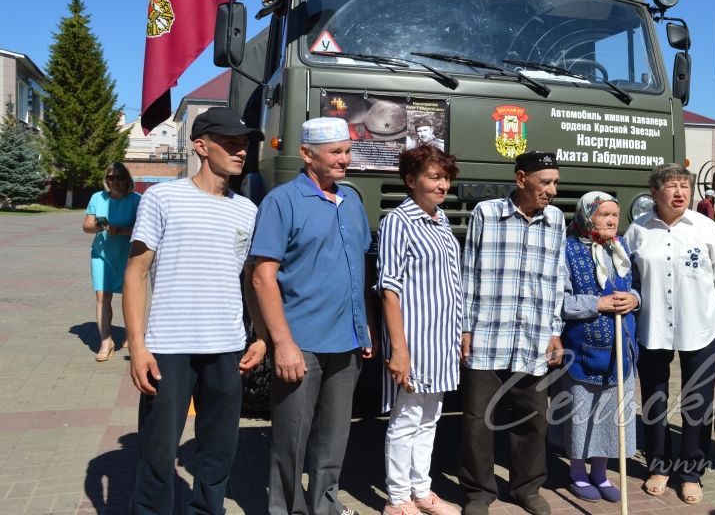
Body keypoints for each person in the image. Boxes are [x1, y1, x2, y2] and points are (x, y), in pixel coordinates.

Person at [123, 106, 267, 515]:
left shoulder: (247, 210)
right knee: (157, 453)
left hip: (226, 347)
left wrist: (259, 335)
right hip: (168, 347)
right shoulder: (163, 198)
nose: (241, 152)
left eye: (244, 145)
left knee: (219, 452)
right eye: (231, 143)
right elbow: (135, 274)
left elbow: (248, 279)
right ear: (201, 146)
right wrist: (137, 346)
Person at [249, 117, 377, 515]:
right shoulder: (281, 201)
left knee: (334, 438)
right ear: (307, 155)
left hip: (348, 342)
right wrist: (281, 343)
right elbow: (261, 276)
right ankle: (286, 509)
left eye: (347, 151)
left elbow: (360, 268)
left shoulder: (352, 201)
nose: (345, 160)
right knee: (291, 440)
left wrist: (367, 328)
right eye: (335, 153)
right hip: (301, 345)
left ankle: (324, 505)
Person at [624, 163, 715, 505]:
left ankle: (690, 472)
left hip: (702, 327)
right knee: (654, 401)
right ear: (654, 193)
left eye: (685, 186)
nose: (680, 192)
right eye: (672, 186)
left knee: (697, 403)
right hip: (653, 328)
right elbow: (627, 277)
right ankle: (658, 466)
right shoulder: (639, 230)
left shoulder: (705, 228)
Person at [460, 151, 565, 515]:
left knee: (533, 417)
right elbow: (468, 272)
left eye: (555, 183)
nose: (552, 191)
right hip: (489, 332)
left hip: (534, 335)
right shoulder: (486, 214)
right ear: (522, 179)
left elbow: (556, 278)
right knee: (477, 418)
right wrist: (465, 327)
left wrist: (554, 331)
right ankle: (478, 491)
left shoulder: (556, 221)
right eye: (545, 182)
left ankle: (526, 487)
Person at [376, 145, 463, 515]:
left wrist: (458, 335)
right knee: (406, 420)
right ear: (411, 180)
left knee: (430, 419)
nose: (442, 184)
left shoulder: (441, 221)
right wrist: (400, 349)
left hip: (441, 342)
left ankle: (422, 491)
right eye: (434, 176)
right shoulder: (398, 221)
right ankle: (397, 499)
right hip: (414, 340)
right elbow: (388, 288)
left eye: (445, 178)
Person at [548, 191, 640, 504]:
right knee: (581, 414)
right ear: (587, 217)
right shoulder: (568, 249)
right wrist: (596, 303)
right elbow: (559, 300)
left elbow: (637, 287)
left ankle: (600, 473)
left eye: (615, 215)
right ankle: (576, 472)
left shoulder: (622, 247)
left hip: (620, 350)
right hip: (583, 349)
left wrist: (634, 299)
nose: (612, 220)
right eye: (604, 215)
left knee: (611, 415)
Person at [82, 162, 140, 361]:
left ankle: (131, 335)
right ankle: (105, 341)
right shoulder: (97, 198)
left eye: (119, 177)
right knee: (102, 296)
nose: (114, 181)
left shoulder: (137, 200)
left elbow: (146, 230)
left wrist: (122, 230)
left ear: (127, 179)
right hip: (101, 255)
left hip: (128, 256)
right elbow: (87, 226)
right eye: (110, 177)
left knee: (129, 297)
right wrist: (99, 225)